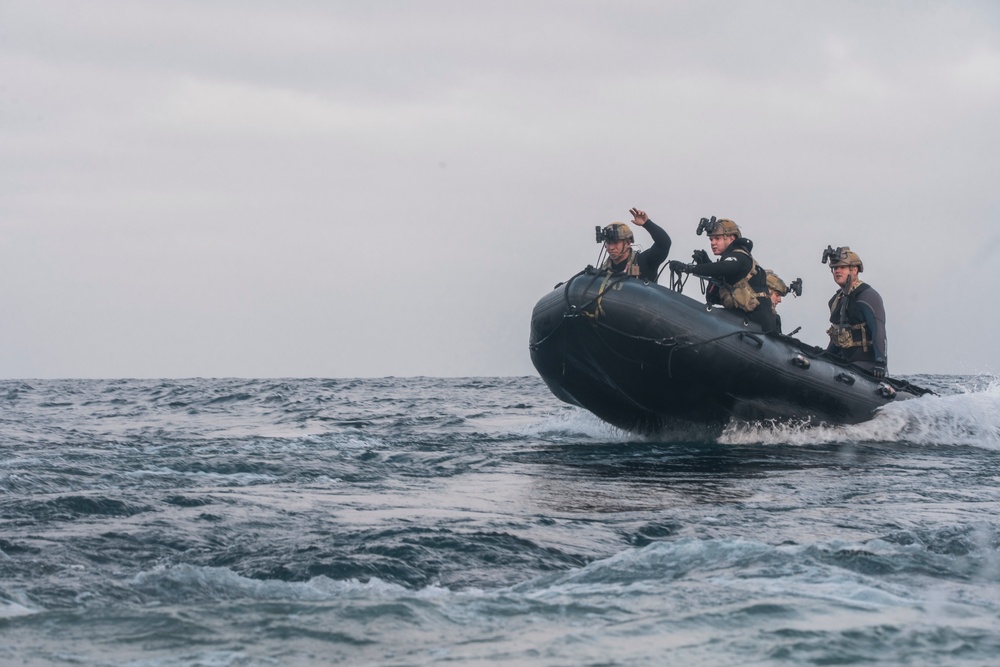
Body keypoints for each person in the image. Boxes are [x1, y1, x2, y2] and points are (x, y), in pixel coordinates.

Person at [669, 217, 776, 331]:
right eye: (711, 239)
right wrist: (705, 262)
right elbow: (719, 281)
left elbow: (725, 267)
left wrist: (688, 268)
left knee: (708, 318)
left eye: (717, 238)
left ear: (731, 238)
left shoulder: (740, 257)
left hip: (756, 322)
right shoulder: (734, 262)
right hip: (747, 319)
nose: (713, 243)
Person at [823, 246, 887, 378]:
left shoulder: (868, 296)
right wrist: (824, 357)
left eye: (842, 267)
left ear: (855, 269)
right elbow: (837, 338)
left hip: (866, 366)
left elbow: (878, 330)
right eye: (835, 268)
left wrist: (880, 362)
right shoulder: (836, 300)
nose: (837, 271)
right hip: (844, 363)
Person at [596, 208, 672, 282]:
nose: (611, 248)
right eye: (608, 243)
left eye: (616, 243)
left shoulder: (645, 262)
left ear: (628, 243)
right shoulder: (601, 273)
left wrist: (647, 223)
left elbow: (664, 243)